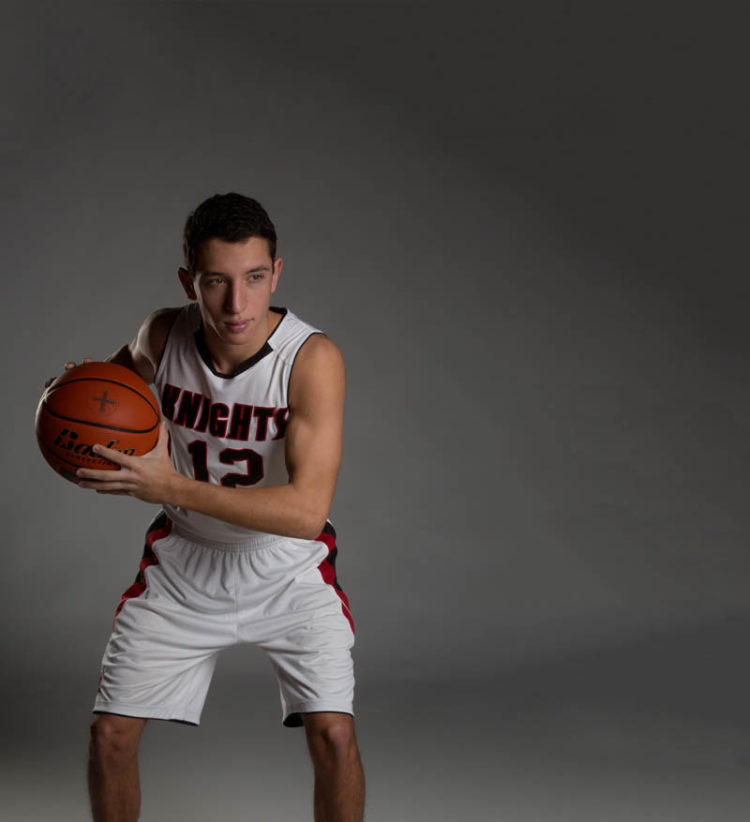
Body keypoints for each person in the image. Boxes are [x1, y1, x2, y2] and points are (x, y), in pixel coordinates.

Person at [69, 193, 365, 821]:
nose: (237, 303)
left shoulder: (311, 360)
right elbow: (102, 400)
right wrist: (68, 400)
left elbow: (307, 513)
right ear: (189, 282)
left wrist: (171, 487)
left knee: (335, 736)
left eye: (254, 278)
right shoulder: (161, 334)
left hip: (287, 565)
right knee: (109, 734)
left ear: (276, 274)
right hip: (184, 562)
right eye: (216, 282)